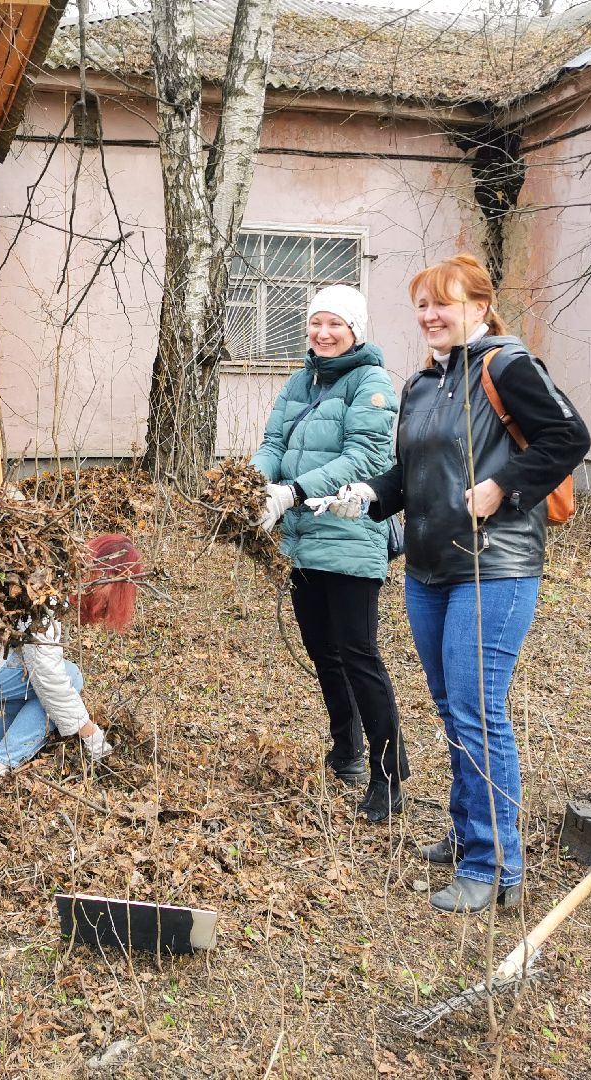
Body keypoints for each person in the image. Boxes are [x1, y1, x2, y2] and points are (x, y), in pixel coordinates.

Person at [310, 254, 590, 914]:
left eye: (444, 303)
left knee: (477, 711)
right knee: (453, 711)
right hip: (429, 572)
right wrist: (361, 496)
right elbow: (407, 479)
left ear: (480, 307)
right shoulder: (422, 384)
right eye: (422, 305)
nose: (430, 315)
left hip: (494, 569)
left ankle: (495, 866)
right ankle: (469, 834)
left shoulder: (507, 366)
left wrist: (504, 487)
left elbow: (568, 436)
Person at [250, 284, 409, 823]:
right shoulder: (302, 380)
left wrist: (293, 492)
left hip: (349, 534)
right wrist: (250, 483)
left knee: (358, 655)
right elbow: (274, 444)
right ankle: (347, 753)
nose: (323, 333)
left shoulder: (372, 382)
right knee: (322, 650)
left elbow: (364, 458)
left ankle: (388, 778)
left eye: (335, 325)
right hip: (301, 539)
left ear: (356, 331)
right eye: (316, 323)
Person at [0, 533, 142, 778]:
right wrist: (91, 734)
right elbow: (47, 674)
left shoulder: (51, 566)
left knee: (37, 707)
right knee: (68, 678)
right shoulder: (48, 587)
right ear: (108, 580)